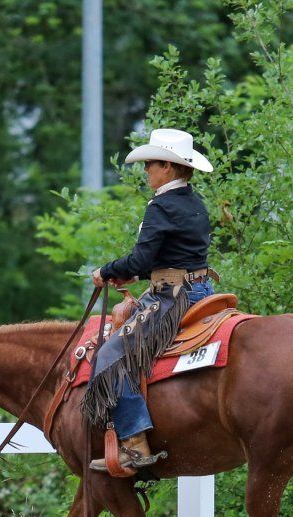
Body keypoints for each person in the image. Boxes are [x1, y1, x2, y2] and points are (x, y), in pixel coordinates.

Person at [84, 128, 217, 473]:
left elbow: (142, 259)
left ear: (168, 169)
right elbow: (177, 255)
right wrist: (139, 273)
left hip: (174, 299)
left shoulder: (161, 206)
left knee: (110, 354)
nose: (146, 172)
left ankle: (134, 444)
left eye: (150, 165)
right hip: (203, 290)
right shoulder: (195, 203)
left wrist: (107, 270)